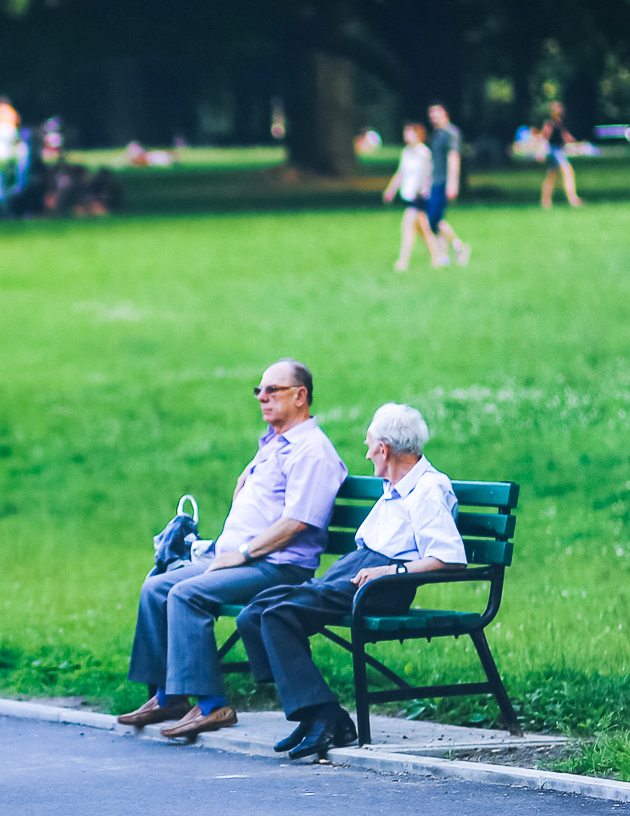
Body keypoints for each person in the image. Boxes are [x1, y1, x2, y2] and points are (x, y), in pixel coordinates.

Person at [120, 359, 347, 739]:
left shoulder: (312, 451)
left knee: (186, 594)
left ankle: (212, 706)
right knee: (157, 586)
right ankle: (169, 696)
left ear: (300, 395)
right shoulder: (275, 445)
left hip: (277, 566)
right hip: (243, 559)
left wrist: (242, 554)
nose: (262, 397)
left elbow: (298, 523)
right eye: (258, 390)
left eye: (272, 390)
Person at [235, 403, 466, 759]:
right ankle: (313, 712)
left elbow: (449, 558)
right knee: (255, 611)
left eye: (370, 444)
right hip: (358, 572)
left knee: (278, 613)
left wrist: (390, 572)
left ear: (385, 449)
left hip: (382, 585)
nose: (367, 450)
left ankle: (326, 716)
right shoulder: (396, 485)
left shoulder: (428, 489)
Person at [382, 123, 435, 272]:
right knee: (423, 229)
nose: (407, 136)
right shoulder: (406, 152)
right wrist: (391, 190)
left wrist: (422, 189)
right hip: (408, 194)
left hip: (419, 196)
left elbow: (428, 173)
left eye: (410, 133)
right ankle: (436, 258)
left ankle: (403, 262)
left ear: (418, 134)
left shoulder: (424, 153)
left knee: (407, 227)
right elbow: (401, 173)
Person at [424, 103, 471, 265]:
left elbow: (453, 158)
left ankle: (459, 246)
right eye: (431, 114)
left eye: (436, 113)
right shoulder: (437, 133)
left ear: (445, 113)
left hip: (443, 181)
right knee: (438, 219)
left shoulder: (451, 133)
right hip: (434, 181)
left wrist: (452, 183)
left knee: (433, 220)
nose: (433, 117)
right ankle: (444, 255)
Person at [537, 101, 583, 209]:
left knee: (551, 176)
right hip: (554, 151)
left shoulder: (559, 123)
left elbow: (565, 136)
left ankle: (545, 201)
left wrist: (576, 144)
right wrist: (540, 152)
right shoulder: (550, 124)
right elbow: (544, 137)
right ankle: (573, 198)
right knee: (568, 171)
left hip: (558, 150)